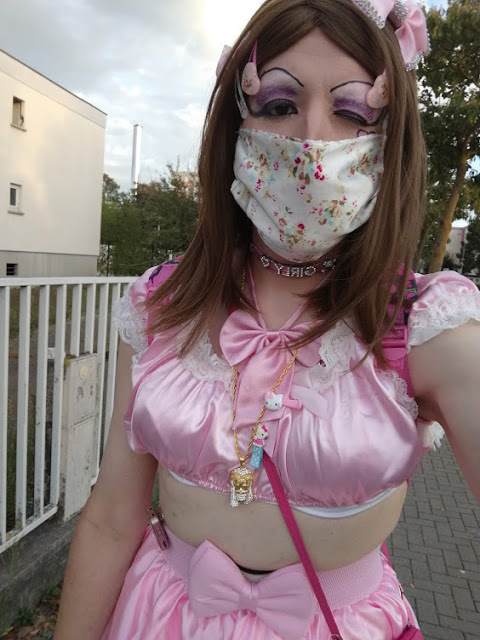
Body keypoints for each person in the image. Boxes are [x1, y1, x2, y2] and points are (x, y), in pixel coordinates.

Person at [54, 1, 480, 638]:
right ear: (237, 121)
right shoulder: (160, 307)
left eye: (352, 111)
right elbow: (112, 520)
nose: (312, 139)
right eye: (279, 104)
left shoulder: (427, 326)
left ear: (390, 137)